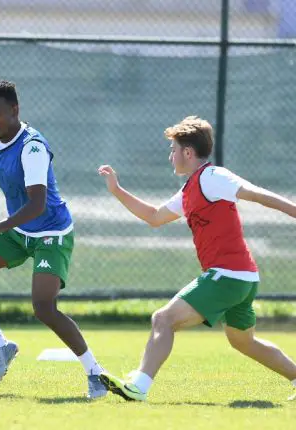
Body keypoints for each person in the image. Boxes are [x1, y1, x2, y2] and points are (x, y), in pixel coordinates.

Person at [97, 115, 296, 401]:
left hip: (228, 276)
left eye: (174, 150)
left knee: (163, 319)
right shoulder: (190, 188)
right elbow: (154, 217)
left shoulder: (213, 177)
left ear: (188, 152)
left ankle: (139, 386)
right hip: (241, 277)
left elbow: (258, 194)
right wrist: (116, 190)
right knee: (244, 342)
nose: (171, 156)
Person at [0, 80, 108, 399]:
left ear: (15, 110)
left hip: (50, 232)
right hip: (19, 230)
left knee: (43, 307)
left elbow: (37, 205)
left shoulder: (33, 147)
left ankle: (95, 373)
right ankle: (0, 346)